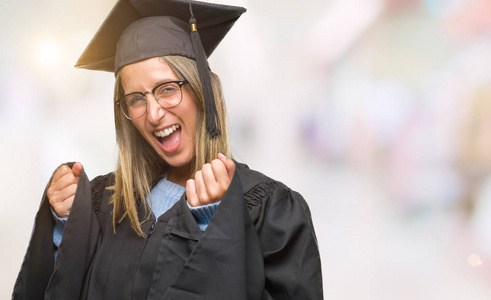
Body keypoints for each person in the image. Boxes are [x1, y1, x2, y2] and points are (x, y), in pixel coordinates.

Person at [12, 0, 323, 299]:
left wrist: (214, 226)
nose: (154, 113)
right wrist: (67, 227)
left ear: (204, 90)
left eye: (168, 89)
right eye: (136, 99)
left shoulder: (270, 211)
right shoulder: (102, 203)